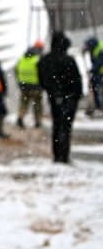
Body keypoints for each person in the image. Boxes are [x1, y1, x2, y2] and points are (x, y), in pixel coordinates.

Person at [38, 31, 83, 164]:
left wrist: (52, 91)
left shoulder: (45, 61)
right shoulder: (68, 60)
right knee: (65, 127)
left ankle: (57, 154)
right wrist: (75, 96)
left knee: (57, 125)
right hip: (69, 98)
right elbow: (77, 81)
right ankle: (63, 154)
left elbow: (42, 80)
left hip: (54, 97)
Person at [15, 40, 44, 129]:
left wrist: (20, 82)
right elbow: (42, 72)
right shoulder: (38, 58)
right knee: (37, 105)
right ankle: (38, 122)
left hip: (24, 85)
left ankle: (20, 117)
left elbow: (16, 70)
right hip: (36, 86)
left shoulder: (22, 58)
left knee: (24, 104)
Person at [83, 36, 103, 112]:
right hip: (99, 72)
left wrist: (93, 69)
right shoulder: (93, 50)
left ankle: (99, 104)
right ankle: (97, 105)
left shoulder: (100, 49)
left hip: (100, 72)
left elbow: (100, 62)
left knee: (98, 86)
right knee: (94, 83)